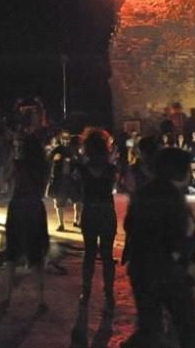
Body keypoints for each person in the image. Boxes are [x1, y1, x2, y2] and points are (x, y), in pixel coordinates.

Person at [122, 147, 195, 348]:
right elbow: (174, 239)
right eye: (188, 169)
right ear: (178, 171)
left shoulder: (144, 193)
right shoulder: (172, 197)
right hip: (167, 271)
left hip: (141, 268)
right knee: (187, 330)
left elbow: (129, 225)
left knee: (151, 329)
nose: (190, 174)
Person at [0, 132, 50, 313]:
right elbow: (43, 188)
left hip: (19, 206)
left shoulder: (17, 164)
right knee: (36, 255)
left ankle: (6, 297)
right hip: (36, 207)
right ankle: (40, 300)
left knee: (12, 254)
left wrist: (13, 157)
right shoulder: (43, 166)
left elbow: (3, 181)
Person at [77, 128, 117, 312]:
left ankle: (86, 292)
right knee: (107, 255)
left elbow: (77, 187)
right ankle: (109, 293)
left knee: (90, 254)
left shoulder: (83, 169)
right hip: (107, 212)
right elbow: (114, 184)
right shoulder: (111, 169)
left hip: (90, 212)